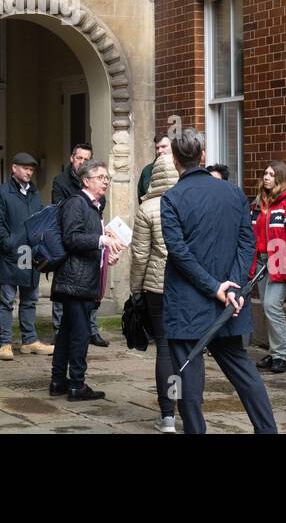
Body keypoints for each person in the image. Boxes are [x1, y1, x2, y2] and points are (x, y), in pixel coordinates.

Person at [160, 128, 278, 434]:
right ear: (202, 156)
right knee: (243, 371)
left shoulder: (172, 198)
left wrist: (217, 288)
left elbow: (179, 253)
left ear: (175, 160)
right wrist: (232, 286)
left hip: (190, 301)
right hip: (228, 299)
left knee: (187, 378)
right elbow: (247, 244)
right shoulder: (234, 192)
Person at [49, 159, 124, 400]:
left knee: (67, 332)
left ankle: (59, 381)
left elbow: (87, 240)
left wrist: (105, 255)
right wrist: (102, 241)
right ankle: (77, 384)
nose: (105, 181)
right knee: (80, 334)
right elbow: (71, 239)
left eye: (107, 178)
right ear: (86, 181)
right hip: (75, 281)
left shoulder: (94, 206)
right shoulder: (76, 203)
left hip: (82, 279)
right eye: (100, 177)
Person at [0, 152, 54, 361]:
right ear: (13, 168)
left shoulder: (34, 193)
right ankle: (5, 343)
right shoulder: (1, 193)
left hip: (31, 254)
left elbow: (41, 219)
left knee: (30, 300)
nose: (29, 172)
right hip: (10, 255)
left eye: (31, 169)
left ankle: (29, 341)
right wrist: (8, 243)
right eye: (25, 168)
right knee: (6, 300)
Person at [129, 153, 179, 432]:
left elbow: (139, 256)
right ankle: (190, 408)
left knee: (164, 347)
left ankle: (168, 416)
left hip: (156, 288)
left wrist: (136, 288)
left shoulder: (147, 208)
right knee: (186, 349)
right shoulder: (188, 203)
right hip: (187, 288)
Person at [49, 142, 105, 345]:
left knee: (90, 292)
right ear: (72, 158)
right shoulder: (62, 183)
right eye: (79, 158)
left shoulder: (98, 194)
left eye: (86, 159)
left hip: (89, 252)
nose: (82, 162)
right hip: (68, 252)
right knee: (67, 294)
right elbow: (61, 213)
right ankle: (59, 331)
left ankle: (91, 330)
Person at [250, 161, 286, 374]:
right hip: (262, 261)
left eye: (271, 174)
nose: (266, 177)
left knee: (272, 305)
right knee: (267, 306)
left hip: (280, 260)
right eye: (265, 173)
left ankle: (280, 355)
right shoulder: (259, 204)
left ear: (280, 178)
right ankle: (274, 352)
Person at [137, 131, 172, 201]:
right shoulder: (147, 170)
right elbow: (142, 196)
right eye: (157, 148)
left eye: (163, 146)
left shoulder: (180, 167)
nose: (159, 151)